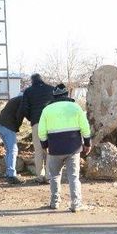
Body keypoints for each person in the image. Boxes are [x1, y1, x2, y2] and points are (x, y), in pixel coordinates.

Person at [38, 83, 91, 212]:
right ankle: (76, 204)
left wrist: (45, 146)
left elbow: (41, 131)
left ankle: (54, 202)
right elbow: (85, 127)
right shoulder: (76, 107)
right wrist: (87, 143)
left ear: (54, 96)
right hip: (73, 148)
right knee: (73, 176)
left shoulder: (46, 110)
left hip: (55, 148)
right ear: (66, 94)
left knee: (55, 175)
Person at [18, 74, 54, 183]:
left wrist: (32, 119)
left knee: (38, 150)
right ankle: (49, 176)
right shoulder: (51, 89)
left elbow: (24, 109)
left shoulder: (28, 91)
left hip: (37, 123)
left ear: (32, 81)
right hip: (51, 123)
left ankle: (40, 176)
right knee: (50, 150)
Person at [0, 94, 25, 184]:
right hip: (8, 126)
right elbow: (20, 114)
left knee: (9, 150)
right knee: (13, 150)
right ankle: (11, 175)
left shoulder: (15, 99)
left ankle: (9, 173)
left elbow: (3, 111)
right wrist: (17, 126)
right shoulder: (23, 100)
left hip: (0, 125)